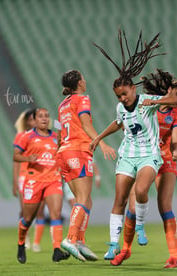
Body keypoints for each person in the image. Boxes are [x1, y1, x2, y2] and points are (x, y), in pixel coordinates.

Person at [91, 29, 177, 266]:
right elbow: (118, 123)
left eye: (124, 93)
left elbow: (176, 102)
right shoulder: (121, 107)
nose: (121, 98)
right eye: (118, 96)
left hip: (150, 155)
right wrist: (99, 137)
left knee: (142, 192)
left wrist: (157, 100)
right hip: (128, 154)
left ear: (134, 89)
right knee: (120, 199)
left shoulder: (147, 101)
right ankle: (115, 245)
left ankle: (143, 228)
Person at [106, 69, 177, 268]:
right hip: (144, 158)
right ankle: (126, 249)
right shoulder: (145, 106)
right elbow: (124, 122)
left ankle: (174, 255)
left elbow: (176, 137)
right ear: (169, 90)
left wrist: (175, 149)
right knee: (134, 203)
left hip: (166, 160)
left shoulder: (176, 114)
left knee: (165, 206)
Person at [57, 69, 116, 262]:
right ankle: (71, 238)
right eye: (83, 77)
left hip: (64, 152)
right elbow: (86, 125)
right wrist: (103, 142)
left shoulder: (63, 104)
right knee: (82, 198)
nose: (85, 80)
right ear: (80, 83)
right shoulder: (82, 99)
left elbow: (62, 131)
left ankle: (80, 241)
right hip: (78, 150)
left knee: (85, 200)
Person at [13, 108, 70, 264]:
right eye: (40, 116)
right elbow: (16, 156)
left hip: (53, 179)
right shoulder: (27, 136)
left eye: (46, 116)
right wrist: (28, 157)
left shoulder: (55, 136)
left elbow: (62, 153)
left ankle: (57, 250)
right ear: (35, 119)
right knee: (27, 218)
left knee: (56, 214)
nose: (44, 119)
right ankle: (21, 244)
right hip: (34, 181)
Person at [12, 108, 46, 252]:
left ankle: (37, 242)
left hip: (42, 176)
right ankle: (25, 238)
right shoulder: (22, 136)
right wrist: (15, 180)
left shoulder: (47, 136)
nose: (34, 121)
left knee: (40, 210)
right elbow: (16, 161)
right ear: (27, 121)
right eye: (32, 119)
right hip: (25, 176)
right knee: (25, 211)